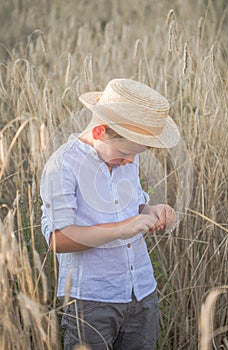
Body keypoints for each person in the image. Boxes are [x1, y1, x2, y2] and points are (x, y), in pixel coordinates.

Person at [40, 78, 180, 350]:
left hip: (141, 291)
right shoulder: (63, 165)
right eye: (125, 154)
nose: (129, 161)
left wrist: (153, 211)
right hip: (93, 300)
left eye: (134, 156)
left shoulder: (126, 157)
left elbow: (133, 207)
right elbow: (59, 239)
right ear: (100, 131)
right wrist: (123, 228)